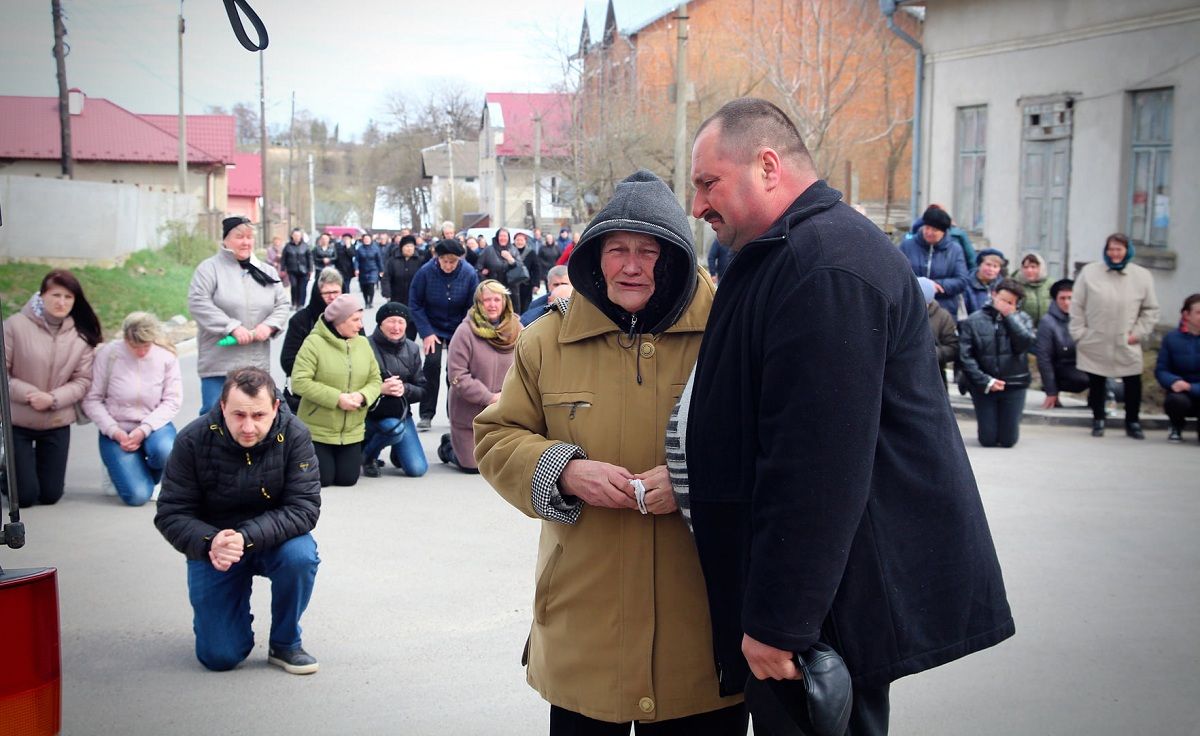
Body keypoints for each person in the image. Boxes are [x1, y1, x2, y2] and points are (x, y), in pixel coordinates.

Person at [685, 98, 1013, 734]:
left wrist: (780, 623)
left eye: (708, 183)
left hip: (825, 613)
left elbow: (817, 470)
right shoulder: (791, 251)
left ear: (768, 166)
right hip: (819, 600)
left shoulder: (825, 267)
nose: (699, 205)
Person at [475, 169, 745, 732]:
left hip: (700, 635)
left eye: (649, 251)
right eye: (617, 249)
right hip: (584, 631)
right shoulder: (546, 339)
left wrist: (699, 485)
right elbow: (498, 438)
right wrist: (566, 473)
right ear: (594, 257)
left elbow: (776, 442)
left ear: (674, 258)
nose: (630, 265)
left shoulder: (729, 327)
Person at [154, 367, 322, 675]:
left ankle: (285, 643)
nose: (248, 426)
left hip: (273, 539)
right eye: (238, 415)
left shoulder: (296, 434)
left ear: (274, 408)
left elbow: (304, 508)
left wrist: (245, 537)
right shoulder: (192, 439)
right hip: (215, 545)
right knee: (220, 657)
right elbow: (171, 512)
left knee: (300, 556)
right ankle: (226, 621)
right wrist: (210, 542)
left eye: (258, 415)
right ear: (222, 408)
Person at [4, 269, 102, 507]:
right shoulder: (14, 326)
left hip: (56, 420)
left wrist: (52, 399)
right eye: (55, 295)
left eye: (68, 297)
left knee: (50, 496)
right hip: (18, 422)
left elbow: (83, 381)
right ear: (42, 295)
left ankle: (26, 470)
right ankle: (9, 472)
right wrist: (29, 394)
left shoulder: (80, 335)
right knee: (25, 498)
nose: (61, 302)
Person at [188, 216, 290, 415]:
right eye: (239, 237)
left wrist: (269, 326)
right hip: (219, 365)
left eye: (250, 237)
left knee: (254, 417)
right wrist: (231, 327)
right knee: (215, 417)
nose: (246, 242)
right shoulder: (209, 269)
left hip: (256, 364)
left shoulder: (266, 271)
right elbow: (198, 302)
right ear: (226, 239)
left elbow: (282, 304)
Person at [82, 312, 182, 507]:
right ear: (126, 338)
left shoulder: (166, 357)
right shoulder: (109, 354)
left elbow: (172, 400)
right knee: (137, 496)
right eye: (136, 347)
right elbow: (92, 399)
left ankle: (153, 474)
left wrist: (143, 430)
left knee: (164, 450)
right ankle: (118, 468)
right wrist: (114, 431)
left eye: (146, 346)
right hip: (117, 428)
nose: (142, 352)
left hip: (154, 426)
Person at [1070, 233, 1160, 439]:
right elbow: (1077, 306)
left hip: (1126, 339)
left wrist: (1137, 334)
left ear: (1128, 251)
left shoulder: (1142, 276)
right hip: (1095, 338)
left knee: (1132, 382)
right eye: (1111, 249)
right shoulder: (1090, 273)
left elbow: (1150, 310)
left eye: (1119, 249)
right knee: (1097, 381)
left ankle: (1132, 421)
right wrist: (1080, 333)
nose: (1115, 253)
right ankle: (1099, 419)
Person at [291, 294, 381, 487]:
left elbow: (375, 380)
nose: (360, 325)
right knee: (324, 479)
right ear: (340, 321)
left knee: (347, 480)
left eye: (361, 320)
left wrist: (363, 396)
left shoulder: (363, 344)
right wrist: (337, 398)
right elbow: (299, 381)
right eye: (355, 320)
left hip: (352, 430)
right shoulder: (313, 343)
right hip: (318, 429)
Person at [439, 280, 521, 474]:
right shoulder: (465, 331)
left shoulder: (518, 329)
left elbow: (526, 368)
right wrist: (488, 397)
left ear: (504, 302)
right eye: (486, 300)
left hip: (505, 411)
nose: (492, 305)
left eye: (496, 299)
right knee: (473, 467)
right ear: (478, 302)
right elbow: (457, 375)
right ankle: (448, 447)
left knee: (503, 467)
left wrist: (507, 397)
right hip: (469, 413)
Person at [408, 238, 479, 431]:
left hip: (458, 326)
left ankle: (454, 414)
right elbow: (415, 303)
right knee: (431, 364)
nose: (448, 265)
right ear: (437, 258)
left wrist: (465, 331)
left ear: (459, 260)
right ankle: (426, 414)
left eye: (453, 262)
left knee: (455, 370)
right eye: (445, 261)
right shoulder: (425, 272)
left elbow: (473, 305)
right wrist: (426, 332)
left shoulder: (469, 273)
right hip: (433, 326)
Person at [957, 279, 1036, 447]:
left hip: (1014, 383)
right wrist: (985, 381)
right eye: (1003, 300)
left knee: (1008, 440)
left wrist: (1009, 318)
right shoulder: (973, 320)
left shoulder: (1023, 319)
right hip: (985, 385)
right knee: (988, 439)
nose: (1006, 304)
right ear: (994, 295)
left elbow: (1025, 344)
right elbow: (965, 356)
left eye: (1011, 302)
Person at [362, 302, 428, 478]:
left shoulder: (412, 348)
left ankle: (395, 447)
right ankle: (367, 455)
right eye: (391, 321)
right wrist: (380, 388)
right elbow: (353, 385)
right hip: (370, 413)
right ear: (380, 323)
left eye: (401, 322)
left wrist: (404, 389)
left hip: (399, 412)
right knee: (393, 429)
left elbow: (422, 389)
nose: (396, 327)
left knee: (417, 469)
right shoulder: (364, 345)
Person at [898, 205, 970, 316]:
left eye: (934, 230)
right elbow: (898, 273)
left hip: (944, 310)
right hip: (912, 307)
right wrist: (922, 285)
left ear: (943, 232)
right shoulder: (907, 245)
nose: (929, 232)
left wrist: (936, 285)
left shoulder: (955, 250)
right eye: (927, 228)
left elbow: (962, 280)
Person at [1034, 278, 1091, 409]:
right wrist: (1051, 391)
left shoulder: (1085, 318)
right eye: (1062, 298)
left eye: (1070, 298)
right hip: (1062, 366)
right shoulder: (1047, 322)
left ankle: (1097, 401)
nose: (1067, 303)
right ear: (1056, 300)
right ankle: (1055, 392)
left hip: (1083, 362)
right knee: (1082, 379)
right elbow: (1044, 358)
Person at [1156, 293, 1200, 443]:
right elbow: (1161, 369)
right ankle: (1176, 426)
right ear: (1186, 314)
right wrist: (1173, 381)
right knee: (1175, 401)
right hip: (1181, 392)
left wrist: (1191, 387)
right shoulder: (1172, 338)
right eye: (1198, 312)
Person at [382, 234, 423, 341]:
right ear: (401, 247)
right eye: (407, 246)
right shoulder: (393, 261)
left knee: (412, 322)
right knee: (398, 321)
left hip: (415, 298)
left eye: (411, 246)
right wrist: (387, 293)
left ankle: (409, 342)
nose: (409, 249)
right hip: (397, 297)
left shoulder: (420, 261)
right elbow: (386, 277)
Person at [918, 276, 958, 385]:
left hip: (934, 376)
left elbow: (953, 347)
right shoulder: (902, 313)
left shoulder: (943, 317)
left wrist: (932, 352)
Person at [909, 204, 976, 268]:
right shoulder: (913, 238)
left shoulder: (957, 238)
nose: (929, 232)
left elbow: (971, 261)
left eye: (934, 230)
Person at [962, 247, 1007, 315]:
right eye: (988, 265)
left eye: (995, 266)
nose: (991, 269)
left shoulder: (1004, 286)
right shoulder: (966, 284)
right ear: (979, 265)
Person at [1013, 251, 1051, 327]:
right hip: (1021, 330)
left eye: (1033, 267)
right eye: (1026, 267)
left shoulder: (1050, 285)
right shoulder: (1015, 284)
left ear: (1041, 268)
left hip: (1046, 330)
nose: (1029, 270)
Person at [281, 228, 314, 310]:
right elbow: (284, 258)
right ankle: (294, 303)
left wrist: (310, 270)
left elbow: (309, 258)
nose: (296, 237)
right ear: (292, 236)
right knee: (294, 286)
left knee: (302, 288)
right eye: (295, 235)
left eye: (298, 235)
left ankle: (301, 304)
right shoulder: (288, 246)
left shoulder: (305, 246)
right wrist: (283, 268)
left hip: (304, 270)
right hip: (292, 270)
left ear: (301, 236)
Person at [510, 230, 540, 314]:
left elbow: (536, 269)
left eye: (521, 240)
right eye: (517, 240)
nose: (519, 242)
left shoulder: (531, 253)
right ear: (514, 241)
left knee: (525, 307)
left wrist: (536, 284)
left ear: (525, 241)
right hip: (512, 284)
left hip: (526, 285)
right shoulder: (510, 252)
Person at [355, 233, 384, 308]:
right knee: (364, 287)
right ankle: (366, 302)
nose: (366, 240)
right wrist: (356, 269)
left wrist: (381, 270)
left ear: (371, 240)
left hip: (373, 269)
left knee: (371, 285)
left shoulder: (375, 248)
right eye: (365, 239)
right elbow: (357, 260)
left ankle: (370, 301)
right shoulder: (359, 249)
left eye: (368, 239)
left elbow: (379, 260)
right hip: (363, 270)